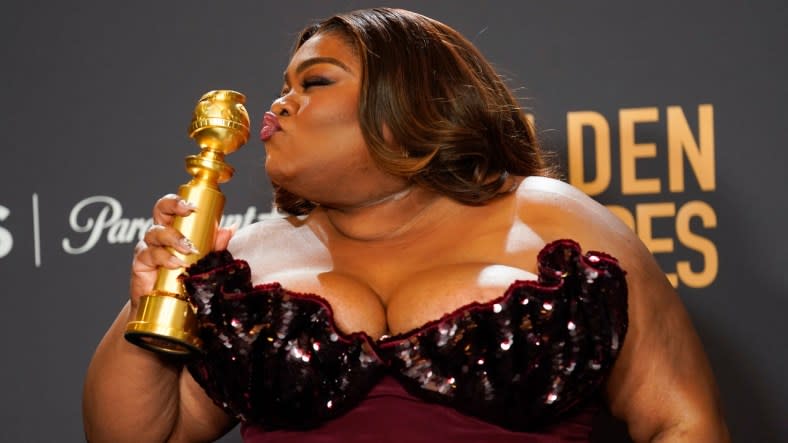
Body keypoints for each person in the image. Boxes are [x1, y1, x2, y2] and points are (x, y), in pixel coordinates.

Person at [82, 7, 729, 443]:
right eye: (283, 84)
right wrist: (148, 306)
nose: (281, 102)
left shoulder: (556, 221)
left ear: (409, 106)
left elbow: (683, 420)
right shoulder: (245, 255)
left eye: (316, 80)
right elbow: (148, 434)